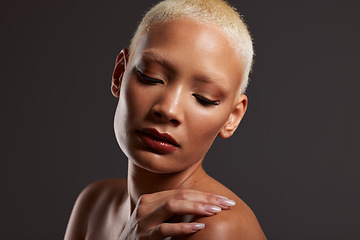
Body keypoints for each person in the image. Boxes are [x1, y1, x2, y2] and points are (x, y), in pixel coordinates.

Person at [65, 0, 266, 239]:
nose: (168, 110)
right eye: (152, 78)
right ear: (120, 74)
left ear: (232, 117)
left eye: (204, 98)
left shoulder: (216, 227)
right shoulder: (95, 202)